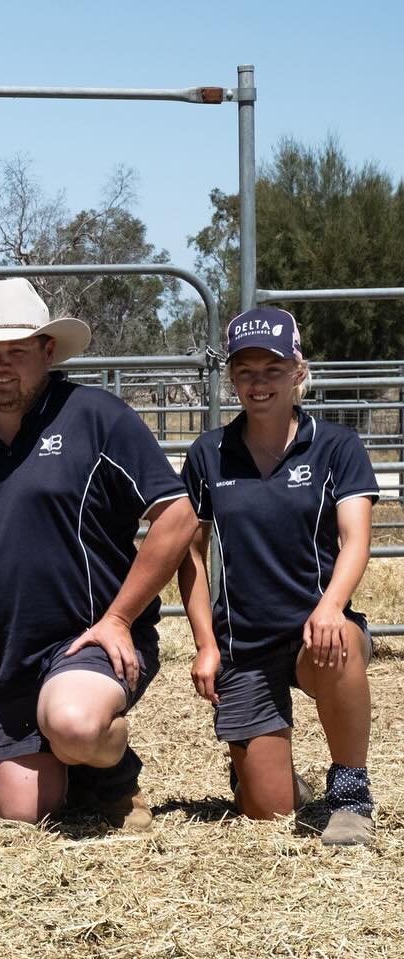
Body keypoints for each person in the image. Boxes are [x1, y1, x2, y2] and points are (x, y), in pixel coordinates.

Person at [0, 277, 197, 829]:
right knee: (24, 812)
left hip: (89, 639)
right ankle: (73, 760)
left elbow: (177, 516)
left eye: (16, 351)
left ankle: (111, 774)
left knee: (75, 724)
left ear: (48, 350)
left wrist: (119, 619)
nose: (0, 365)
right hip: (8, 660)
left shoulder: (94, 416)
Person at [177, 307, 378, 845]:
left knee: (337, 643)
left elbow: (357, 539)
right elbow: (189, 554)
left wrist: (332, 606)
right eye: (245, 370)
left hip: (316, 629)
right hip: (244, 644)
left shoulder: (337, 447)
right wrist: (204, 643)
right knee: (267, 811)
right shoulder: (208, 454)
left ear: (298, 371)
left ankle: (351, 789)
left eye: (272, 368)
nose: (258, 382)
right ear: (232, 379)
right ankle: (259, 774)